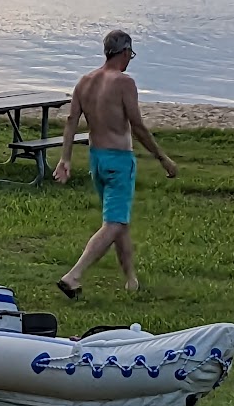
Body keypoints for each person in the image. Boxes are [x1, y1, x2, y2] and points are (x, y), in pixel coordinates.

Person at [53, 29, 177, 297]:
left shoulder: (84, 82)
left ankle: (131, 280)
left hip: (96, 159)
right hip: (118, 161)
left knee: (119, 222)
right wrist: (162, 157)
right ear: (124, 53)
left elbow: (71, 121)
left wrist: (65, 158)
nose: (130, 59)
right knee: (114, 223)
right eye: (130, 54)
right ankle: (73, 275)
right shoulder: (124, 83)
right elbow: (138, 126)